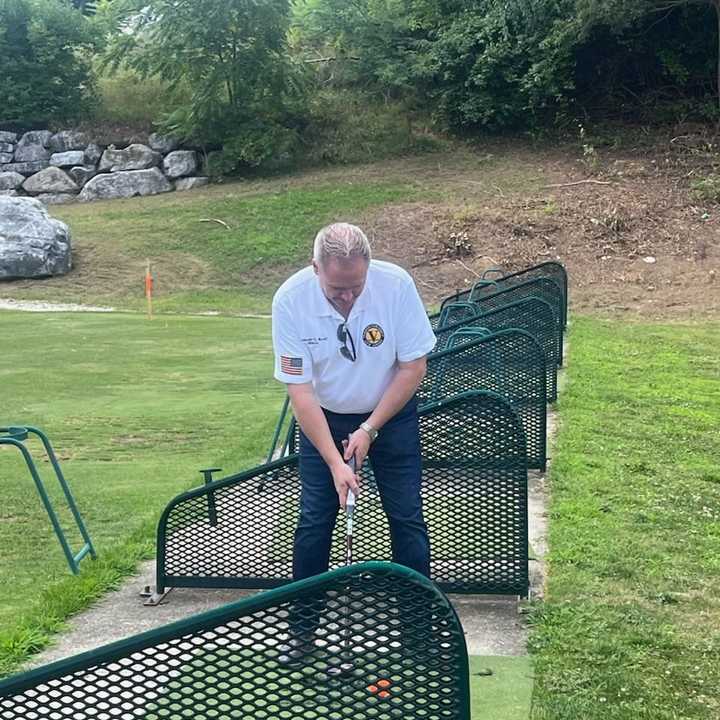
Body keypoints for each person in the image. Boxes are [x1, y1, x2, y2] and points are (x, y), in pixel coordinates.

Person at [272, 222, 436, 587]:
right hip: (324, 417)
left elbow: (413, 367)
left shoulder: (395, 285)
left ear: (369, 266)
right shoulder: (290, 300)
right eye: (336, 289)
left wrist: (369, 428)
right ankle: (303, 631)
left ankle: (418, 629)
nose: (347, 297)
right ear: (315, 268)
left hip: (391, 415)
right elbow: (300, 392)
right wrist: (335, 462)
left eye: (355, 287)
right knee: (315, 518)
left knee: (406, 515)